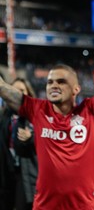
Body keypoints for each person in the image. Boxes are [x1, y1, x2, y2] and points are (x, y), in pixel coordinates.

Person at [0, 3, 94, 210]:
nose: (54, 85)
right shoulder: (37, 109)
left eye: (61, 82)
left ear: (76, 89)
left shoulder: (92, 110)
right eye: (50, 82)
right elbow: (4, 88)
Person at [0, 78, 37, 210]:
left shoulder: (37, 115)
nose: (16, 93)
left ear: (28, 93)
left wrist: (32, 137)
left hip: (27, 173)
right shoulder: (4, 116)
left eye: (21, 90)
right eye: (13, 90)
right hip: (7, 172)